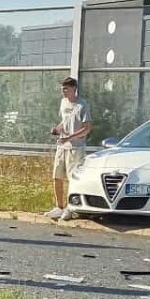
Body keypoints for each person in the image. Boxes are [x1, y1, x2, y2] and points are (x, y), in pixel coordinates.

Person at [48, 76, 91, 220]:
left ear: (74, 89)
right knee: (57, 176)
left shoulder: (82, 105)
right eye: (62, 89)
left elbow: (86, 128)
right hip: (62, 145)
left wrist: (69, 138)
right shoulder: (63, 103)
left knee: (73, 179)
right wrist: (57, 129)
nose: (63, 91)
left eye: (66, 89)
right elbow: (64, 121)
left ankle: (70, 208)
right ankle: (58, 207)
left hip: (76, 147)